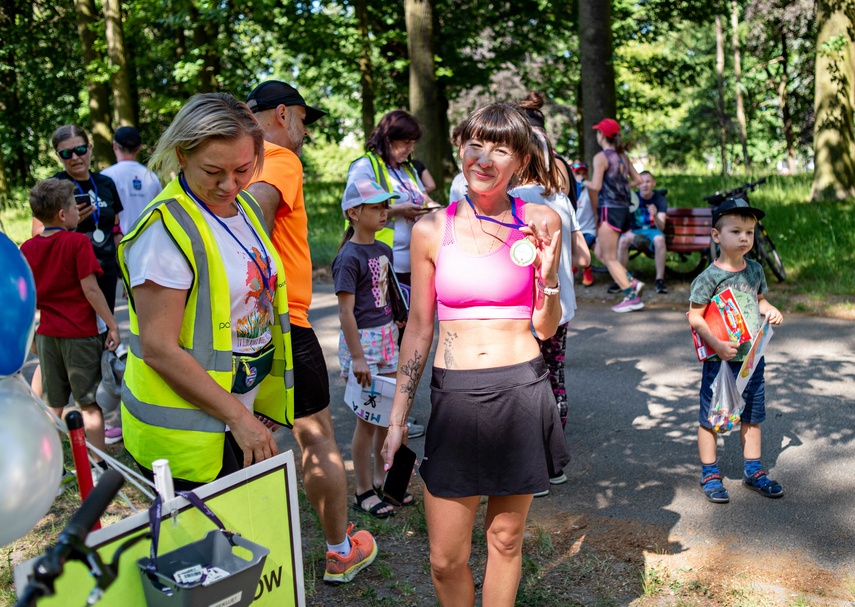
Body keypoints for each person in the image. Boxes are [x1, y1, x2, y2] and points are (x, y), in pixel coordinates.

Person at [381, 103, 569, 607]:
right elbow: (419, 328)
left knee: (505, 540)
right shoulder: (429, 230)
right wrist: (398, 416)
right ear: (461, 149)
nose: (484, 159)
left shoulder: (541, 221)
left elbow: (546, 327)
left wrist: (549, 278)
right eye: (475, 145)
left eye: (500, 148)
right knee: (445, 558)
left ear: (520, 162)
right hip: (455, 399)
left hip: (522, 390)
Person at [117, 93, 293, 496]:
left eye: (243, 169)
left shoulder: (242, 207)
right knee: (212, 554)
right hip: (189, 436)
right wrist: (238, 418)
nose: (229, 185)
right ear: (182, 154)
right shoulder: (163, 231)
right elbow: (159, 349)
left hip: (234, 416)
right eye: (213, 171)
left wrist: (254, 406)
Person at [245, 80, 377, 583]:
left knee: (248, 435)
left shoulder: (225, 165)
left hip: (238, 328)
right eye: (304, 117)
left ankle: (245, 553)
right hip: (283, 322)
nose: (306, 130)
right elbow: (254, 212)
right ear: (282, 113)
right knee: (315, 436)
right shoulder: (276, 156)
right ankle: (341, 550)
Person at [512, 109, 591, 496]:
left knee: (527, 385)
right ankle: (554, 463)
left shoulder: (510, 203)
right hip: (562, 306)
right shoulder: (560, 199)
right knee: (555, 380)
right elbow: (584, 258)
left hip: (524, 310)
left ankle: (531, 467)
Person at [688, 198, 784, 504]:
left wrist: (771, 310)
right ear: (717, 236)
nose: (745, 238)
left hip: (752, 360)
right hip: (721, 361)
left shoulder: (754, 270)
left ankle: (754, 471)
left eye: (750, 232)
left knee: (752, 416)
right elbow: (694, 316)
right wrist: (716, 344)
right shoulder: (709, 278)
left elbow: (760, 301)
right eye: (736, 231)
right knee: (711, 418)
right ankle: (710, 474)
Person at [20, 179, 120, 467]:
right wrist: (112, 324)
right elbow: (91, 289)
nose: (80, 212)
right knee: (88, 404)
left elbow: (30, 296)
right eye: (75, 208)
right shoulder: (77, 242)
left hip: (48, 335)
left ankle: (47, 467)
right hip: (80, 335)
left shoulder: (28, 248)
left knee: (53, 404)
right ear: (63, 215)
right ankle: (98, 466)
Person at [334, 179, 405, 519]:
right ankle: (363, 491)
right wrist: (358, 356)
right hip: (363, 343)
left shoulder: (383, 250)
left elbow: (390, 294)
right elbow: (345, 312)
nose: (383, 213)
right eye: (376, 207)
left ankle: (384, 481)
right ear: (353, 213)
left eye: (384, 206)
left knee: (386, 416)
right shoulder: (348, 257)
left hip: (388, 337)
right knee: (366, 420)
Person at [47, 125, 123, 313]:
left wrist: (126, 270)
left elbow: (115, 230)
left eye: (80, 150)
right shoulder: (53, 188)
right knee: (83, 337)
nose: (75, 157)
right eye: (66, 153)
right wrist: (71, 224)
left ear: (89, 148)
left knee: (106, 334)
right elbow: (40, 236)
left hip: (106, 270)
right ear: (58, 156)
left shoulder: (106, 183)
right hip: (73, 274)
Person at [581, 118, 643, 313]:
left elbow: (596, 186)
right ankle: (632, 281)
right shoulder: (622, 156)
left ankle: (631, 296)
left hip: (609, 209)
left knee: (609, 257)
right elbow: (638, 180)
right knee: (599, 252)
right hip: (623, 209)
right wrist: (622, 187)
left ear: (602, 135)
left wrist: (583, 182)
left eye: (598, 132)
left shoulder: (601, 157)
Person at [101, 126, 163, 236]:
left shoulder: (106, 176)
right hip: (147, 242)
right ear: (139, 148)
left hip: (117, 242)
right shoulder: (151, 177)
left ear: (115, 145)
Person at [615, 170, 669, 294]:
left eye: (648, 182)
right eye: (642, 182)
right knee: (623, 240)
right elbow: (623, 222)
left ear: (653, 183)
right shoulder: (631, 198)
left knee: (660, 240)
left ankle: (659, 280)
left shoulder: (660, 200)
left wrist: (655, 216)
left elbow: (661, 228)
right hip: (634, 232)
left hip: (653, 231)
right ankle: (621, 280)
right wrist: (630, 234)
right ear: (638, 184)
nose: (645, 185)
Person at [572, 162, 597, 287]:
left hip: (590, 230)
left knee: (583, 245)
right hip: (575, 230)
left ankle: (582, 268)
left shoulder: (590, 189)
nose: (581, 175)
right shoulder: (570, 190)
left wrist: (583, 182)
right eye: (577, 173)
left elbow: (598, 189)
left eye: (583, 173)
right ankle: (580, 267)